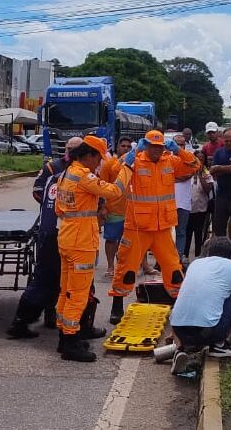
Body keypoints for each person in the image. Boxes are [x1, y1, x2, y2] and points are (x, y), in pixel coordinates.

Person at [108, 130, 200, 324]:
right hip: (137, 227)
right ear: (146, 145)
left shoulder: (170, 161)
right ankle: (117, 307)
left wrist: (179, 151)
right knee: (127, 268)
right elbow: (115, 170)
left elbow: (195, 165)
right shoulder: (135, 160)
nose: (157, 150)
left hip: (162, 227)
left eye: (160, 147)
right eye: (153, 146)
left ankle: (178, 305)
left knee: (173, 268)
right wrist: (130, 155)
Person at [55, 136, 124, 362]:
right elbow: (114, 192)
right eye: (99, 159)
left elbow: (59, 208)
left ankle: (64, 337)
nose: (100, 164)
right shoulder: (84, 176)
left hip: (67, 237)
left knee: (66, 290)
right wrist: (128, 167)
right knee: (78, 294)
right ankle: (70, 343)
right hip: (81, 242)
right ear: (90, 155)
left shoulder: (67, 173)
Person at [8, 137, 84, 339]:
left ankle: (51, 317)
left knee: (51, 280)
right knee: (62, 280)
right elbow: (38, 191)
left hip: (56, 232)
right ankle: (73, 327)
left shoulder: (66, 174)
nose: (70, 152)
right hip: (62, 234)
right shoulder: (60, 171)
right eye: (69, 148)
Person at [169, 237, 231, 371]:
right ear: (230, 255)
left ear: (208, 252)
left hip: (179, 331)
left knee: (191, 298)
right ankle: (219, 344)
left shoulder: (195, 264)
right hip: (209, 332)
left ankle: (180, 350)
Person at [99, 136, 132, 278]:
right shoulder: (109, 164)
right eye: (123, 146)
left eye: (128, 147)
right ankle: (111, 266)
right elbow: (101, 186)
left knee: (130, 242)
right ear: (117, 147)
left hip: (131, 210)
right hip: (113, 209)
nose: (125, 148)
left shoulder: (134, 165)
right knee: (111, 240)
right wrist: (103, 207)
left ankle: (127, 266)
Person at [186, 150, 214, 258]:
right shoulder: (187, 171)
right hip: (188, 208)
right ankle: (185, 255)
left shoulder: (206, 172)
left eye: (202, 159)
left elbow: (208, 189)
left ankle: (198, 255)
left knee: (199, 233)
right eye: (197, 159)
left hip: (201, 208)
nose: (199, 161)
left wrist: (200, 174)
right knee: (187, 233)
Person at [173, 134, 194, 263]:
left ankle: (178, 258)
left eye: (182, 144)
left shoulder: (189, 159)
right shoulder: (166, 159)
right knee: (166, 234)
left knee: (181, 232)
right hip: (168, 203)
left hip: (184, 203)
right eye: (177, 144)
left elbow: (188, 175)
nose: (179, 146)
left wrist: (171, 177)